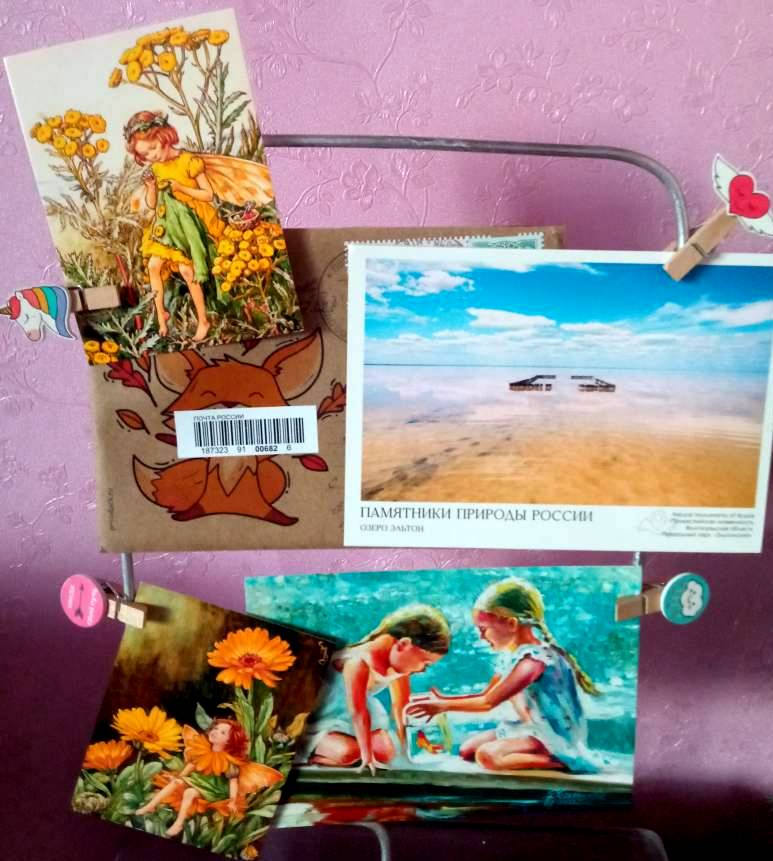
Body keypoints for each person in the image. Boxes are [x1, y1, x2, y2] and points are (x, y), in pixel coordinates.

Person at [406, 577, 601, 773]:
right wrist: (444, 700)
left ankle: (563, 762)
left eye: (484, 629)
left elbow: (488, 702)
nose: (481, 637)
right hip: (529, 728)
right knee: (467, 750)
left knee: (487, 756)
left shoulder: (534, 660)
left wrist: (443, 706)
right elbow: (487, 694)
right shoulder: (511, 657)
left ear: (511, 623)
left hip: (551, 734)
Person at [304, 604, 451, 774]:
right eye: (425, 663)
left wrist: (410, 748)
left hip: (351, 724)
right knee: (349, 753)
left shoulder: (400, 667)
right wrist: (367, 757)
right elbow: (358, 712)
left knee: (386, 751)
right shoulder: (357, 661)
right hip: (326, 720)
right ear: (403, 644)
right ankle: (315, 757)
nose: (423, 670)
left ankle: (350, 754)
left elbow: (400, 708)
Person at [136, 718, 283, 837]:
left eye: (223, 732)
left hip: (215, 790)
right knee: (175, 783)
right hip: (199, 781)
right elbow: (191, 765)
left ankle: (178, 823)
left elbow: (233, 781)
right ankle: (150, 806)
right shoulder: (202, 747)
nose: (216, 732)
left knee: (189, 792)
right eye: (215, 728)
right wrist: (178, 777)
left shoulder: (229, 760)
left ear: (230, 740)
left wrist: (232, 800)